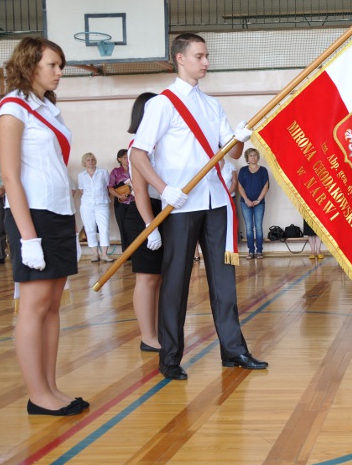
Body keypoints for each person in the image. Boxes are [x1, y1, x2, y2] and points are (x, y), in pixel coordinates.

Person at [129, 32, 267, 381]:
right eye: (200, 56)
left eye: (207, 56)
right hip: (182, 204)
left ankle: (233, 350)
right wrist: (164, 188)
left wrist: (239, 138)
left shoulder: (212, 105)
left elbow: (230, 153)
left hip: (217, 200)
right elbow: (137, 153)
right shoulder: (162, 104)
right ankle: (170, 357)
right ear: (180, 58)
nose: (206, 62)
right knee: (175, 282)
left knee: (224, 281)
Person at [0, 36, 87, 415]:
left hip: (58, 212)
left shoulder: (47, 109)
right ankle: (37, 394)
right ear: (31, 64)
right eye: (53, 65)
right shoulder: (12, 108)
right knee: (33, 306)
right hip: (32, 215)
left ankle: (50, 387)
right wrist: (28, 237)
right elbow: (11, 176)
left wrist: (72, 223)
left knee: (52, 306)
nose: (59, 72)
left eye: (60, 65)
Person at [124, 92, 163, 352]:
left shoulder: (160, 143)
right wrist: (151, 227)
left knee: (158, 278)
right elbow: (139, 192)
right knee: (146, 278)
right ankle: (148, 337)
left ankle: (156, 331)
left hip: (163, 210)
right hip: (144, 214)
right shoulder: (138, 146)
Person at [76, 152, 113, 263]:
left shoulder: (103, 172)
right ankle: (95, 254)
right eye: (88, 160)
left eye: (92, 159)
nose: (91, 161)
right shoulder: (81, 176)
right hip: (87, 205)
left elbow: (108, 188)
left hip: (102, 204)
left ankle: (104, 254)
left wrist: (101, 198)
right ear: (84, 162)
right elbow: (82, 190)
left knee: (104, 228)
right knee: (90, 229)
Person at [237, 147, 269, 259]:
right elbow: (240, 186)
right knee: (249, 227)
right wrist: (246, 200)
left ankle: (259, 251)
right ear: (247, 157)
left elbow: (266, 186)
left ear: (258, 157)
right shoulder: (243, 170)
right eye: (251, 155)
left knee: (258, 227)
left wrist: (258, 200)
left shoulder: (263, 170)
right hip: (245, 203)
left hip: (259, 203)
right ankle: (251, 251)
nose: (253, 157)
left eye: (255, 155)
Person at [108, 149, 133, 252]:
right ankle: (126, 254)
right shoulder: (116, 171)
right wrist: (119, 196)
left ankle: (136, 253)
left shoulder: (135, 169)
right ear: (119, 159)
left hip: (135, 202)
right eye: (124, 157)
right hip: (121, 203)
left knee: (134, 227)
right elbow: (110, 188)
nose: (127, 159)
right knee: (123, 228)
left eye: (128, 157)